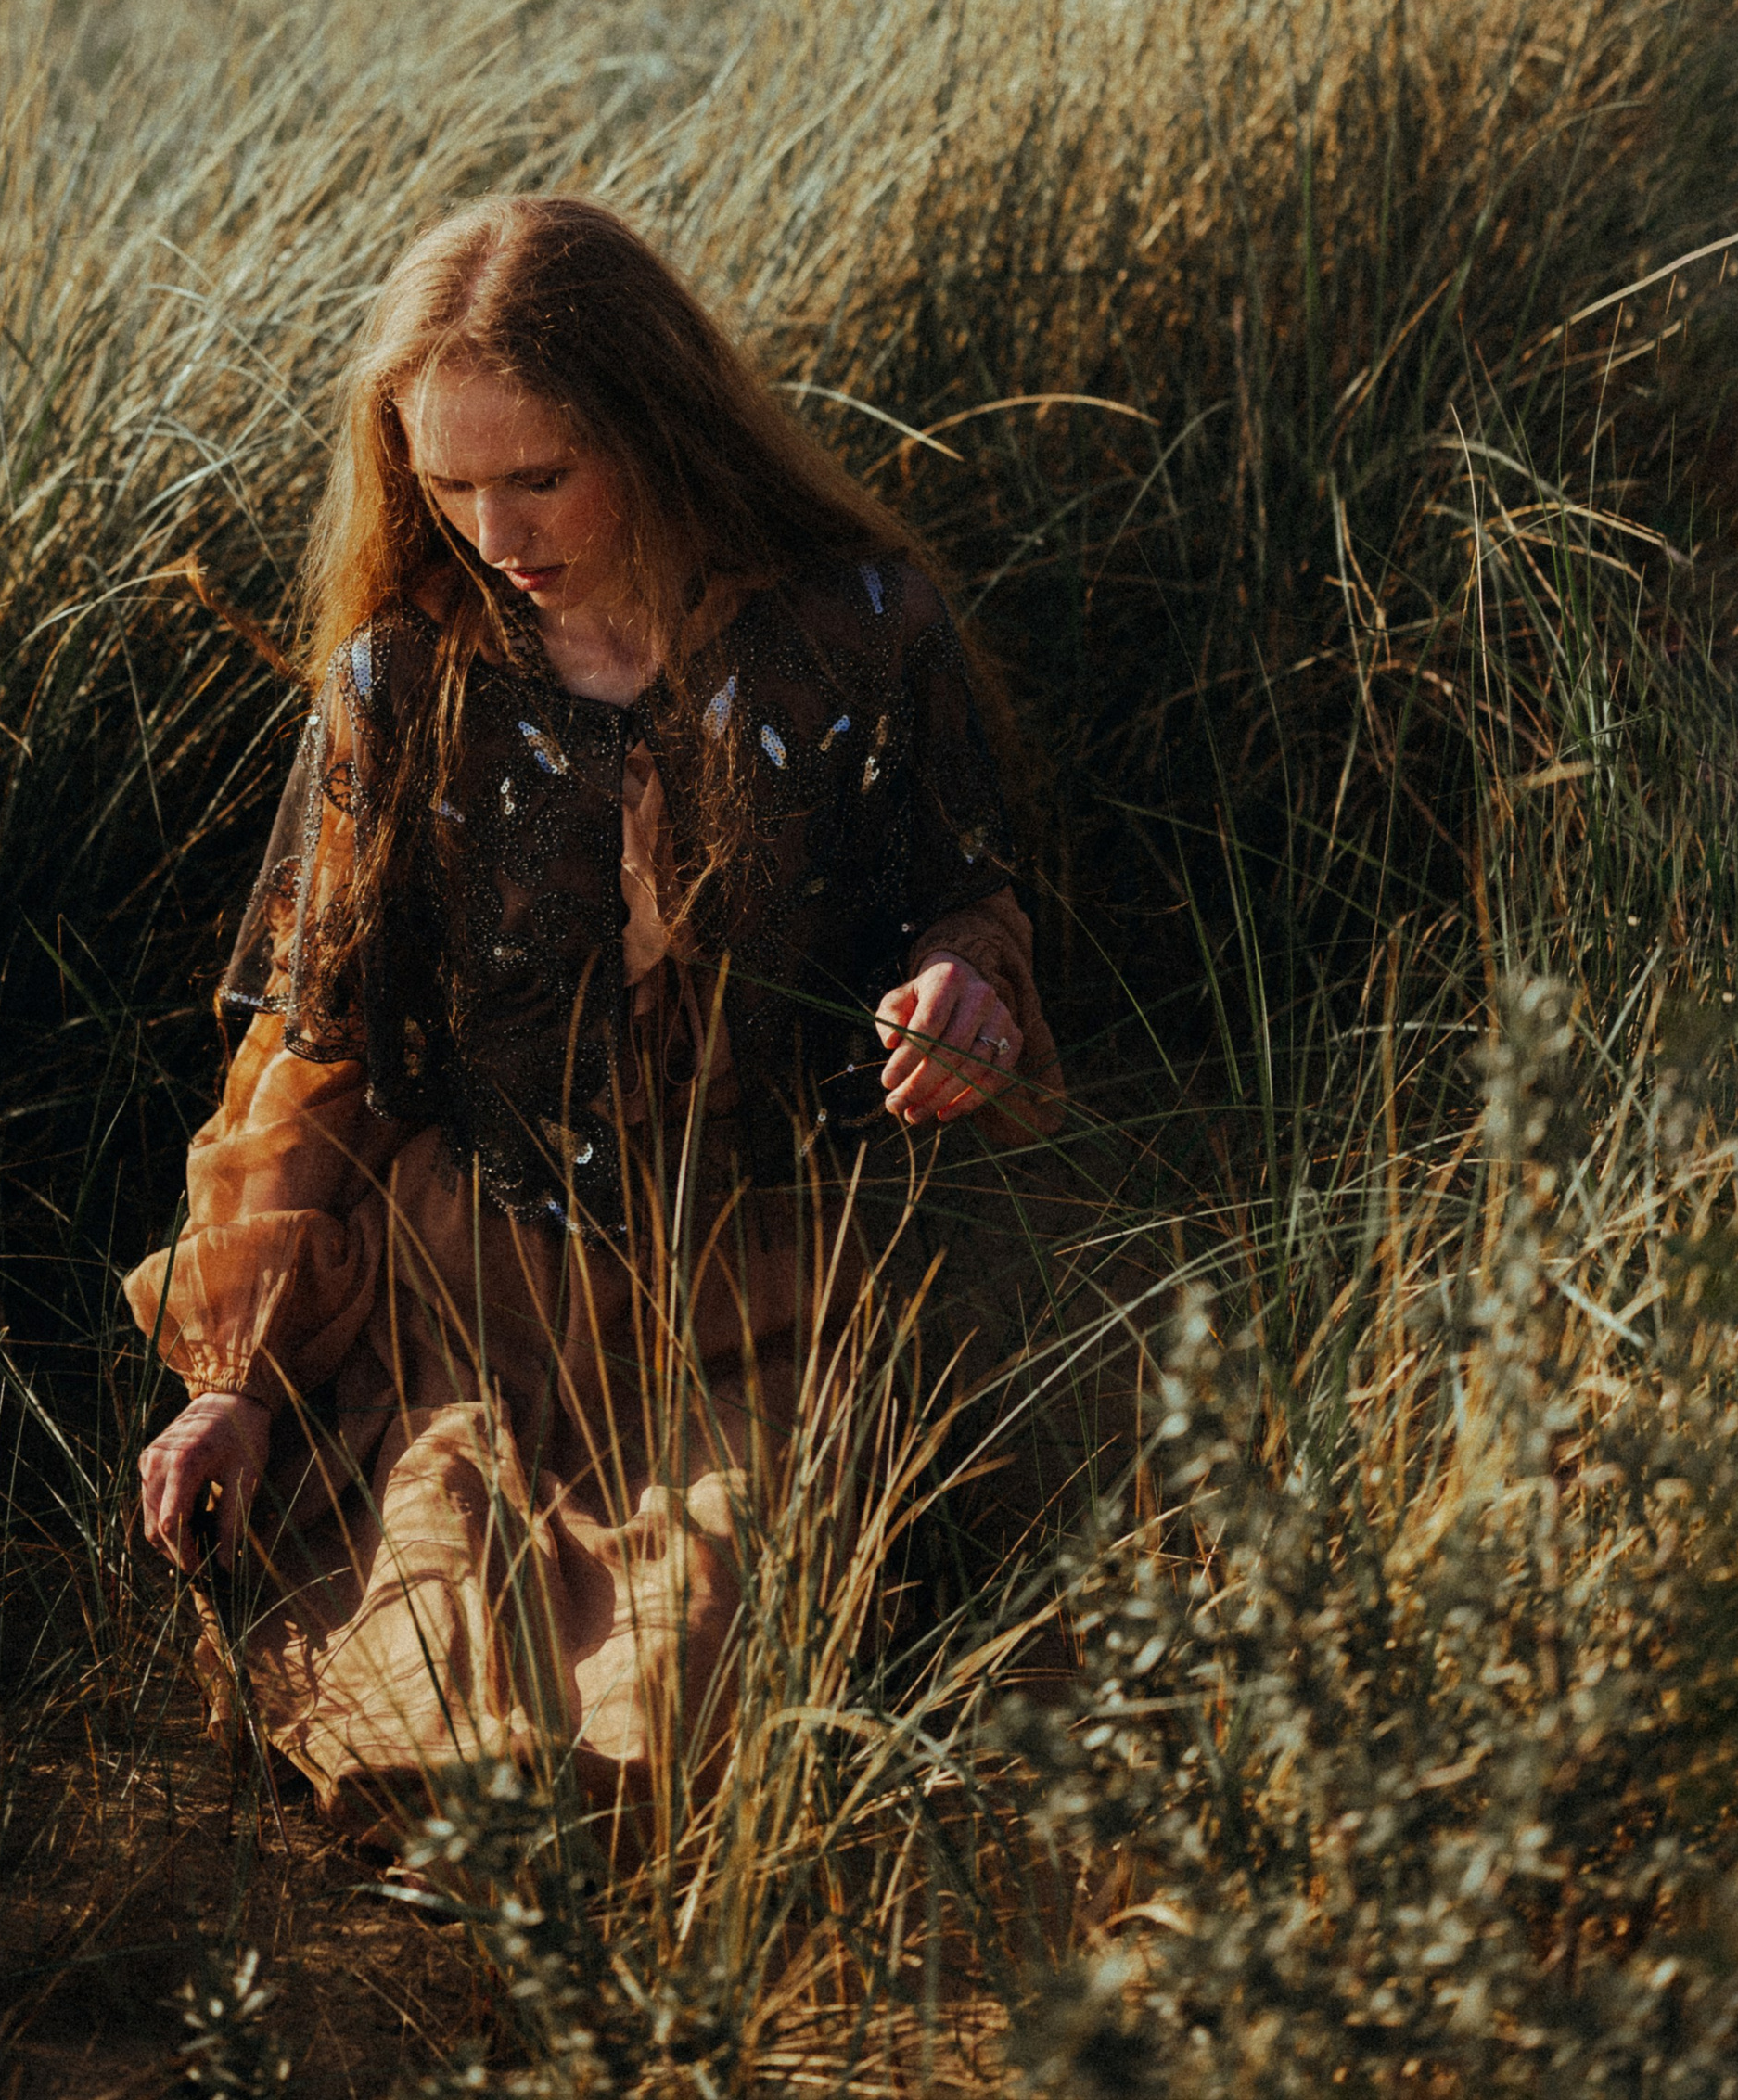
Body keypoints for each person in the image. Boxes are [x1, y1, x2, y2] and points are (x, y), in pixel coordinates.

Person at [124, 195, 1064, 1836]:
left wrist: (966, 985)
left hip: (763, 1281)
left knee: (687, 1680)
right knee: (435, 1669)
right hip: (473, 1296)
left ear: (658, 422)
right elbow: (314, 1047)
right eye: (447, 481)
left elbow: (967, 890)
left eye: (540, 474)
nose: (494, 527)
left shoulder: (856, 631)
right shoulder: (402, 683)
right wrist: (239, 1376)